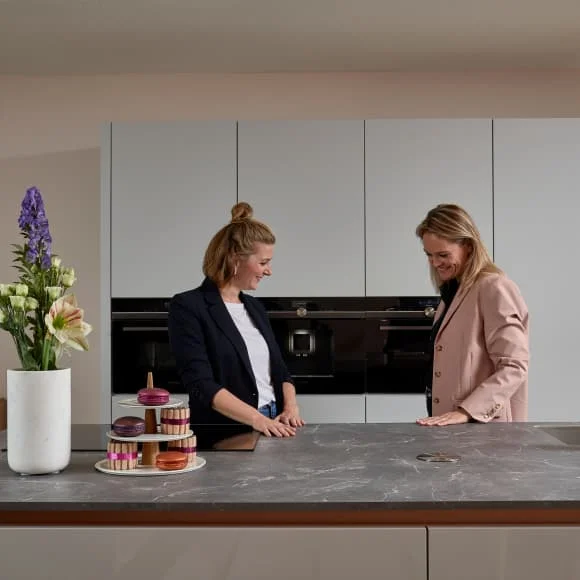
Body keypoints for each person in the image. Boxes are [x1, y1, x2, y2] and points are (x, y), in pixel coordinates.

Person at [168, 202, 305, 437]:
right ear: (235, 259)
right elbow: (200, 383)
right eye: (263, 262)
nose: (269, 271)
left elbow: (280, 371)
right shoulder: (188, 306)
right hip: (225, 432)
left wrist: (290, 407)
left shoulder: (255, 307)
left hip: (274, 422)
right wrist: (257, 419)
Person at [415, 203, 529, 426]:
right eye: (429, 255)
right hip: (453, 429)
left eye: (443, 254)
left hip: (482, 429)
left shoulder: (494, 287)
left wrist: (466, 411)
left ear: (468, 246)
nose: (435, 263)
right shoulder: (452, 291)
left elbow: (514, 366)